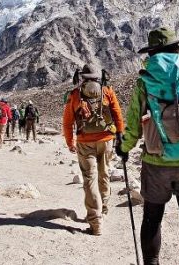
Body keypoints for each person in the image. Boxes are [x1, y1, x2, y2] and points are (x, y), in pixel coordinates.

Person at [116, 28, 179, 265]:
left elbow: (133, 123)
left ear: (152, 52)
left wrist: (124, 147)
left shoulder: (145, 80)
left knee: (152, 218)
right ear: (176, 48)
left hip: (156, 162)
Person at [62, 64, 124, 236]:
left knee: (90, 179)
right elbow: (118, 115)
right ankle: (103, 209)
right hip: (106, 140)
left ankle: (95, 222)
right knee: (104, 174)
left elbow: (67, 122)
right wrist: (120, 135)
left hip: (84, 142)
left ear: (83, 77)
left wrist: (70, 142)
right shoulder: (107, 91)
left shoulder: (75, 95)